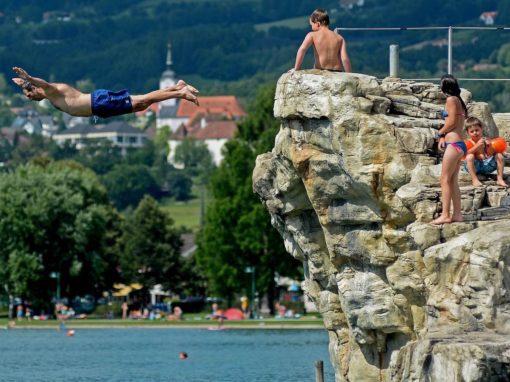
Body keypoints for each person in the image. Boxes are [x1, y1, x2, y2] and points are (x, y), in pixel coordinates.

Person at [12, 66, 199, 118]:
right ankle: (177, 87)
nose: (30, 98)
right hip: (99, 108)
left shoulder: (52, 91)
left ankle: (180, 93)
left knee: (142, 101)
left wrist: (28, 78)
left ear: (35, 89)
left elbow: (42, 83)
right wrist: (22, 83)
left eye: (29, 94)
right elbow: (35, 88)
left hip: (98, 102)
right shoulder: (49, 97)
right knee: (141, 105)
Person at [431, 74, 468, 225]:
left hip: (453, 146)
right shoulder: (459, 100)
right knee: (453, 181)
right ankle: (457, 215)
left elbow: (451, 121)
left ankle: (446, 215)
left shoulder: (451, 100)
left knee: (444, 179)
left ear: (444, 86)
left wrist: (439, 133)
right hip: (460, 144)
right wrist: (443, 137)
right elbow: (455, 122)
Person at [464, 117, 508, 188]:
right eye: (472, 131)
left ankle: (499, 179)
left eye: (477, 130)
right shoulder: (469, 142)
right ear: (468, 132)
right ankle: (474, 179)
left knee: (499, 155)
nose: (475, 133)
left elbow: (490, 154)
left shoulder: (487, 139)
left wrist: (489, 146)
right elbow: (465, 154)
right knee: (470, 156)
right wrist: (477, 146)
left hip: (487, 165)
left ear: (481, 128)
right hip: (475, 167)